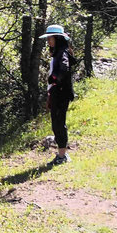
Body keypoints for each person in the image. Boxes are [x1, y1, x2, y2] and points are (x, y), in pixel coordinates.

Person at [41, 24, 75, 165]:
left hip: (61, 93)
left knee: (59, 124)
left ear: (58, 38)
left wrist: (54, 79)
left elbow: (63, 69)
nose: (49, 40)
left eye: (51, 38)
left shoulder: (62, 53)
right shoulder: (58, 52)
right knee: (56, 123)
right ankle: (62, 154)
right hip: (57, 93)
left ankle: (62, 156)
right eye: (48, 38)